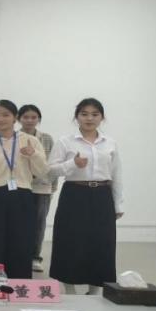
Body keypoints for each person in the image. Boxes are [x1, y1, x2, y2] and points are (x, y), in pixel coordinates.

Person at [48, 98, 123, 295]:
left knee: (101, 241)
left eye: (95, 114)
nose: (89, 118)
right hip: (74, 194)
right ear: (77, 117)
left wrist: (118, 204)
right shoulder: (65, 142)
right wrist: (72, 164)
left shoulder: (110, 143)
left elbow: (116, 175)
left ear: (102, 118)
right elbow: (50, 171)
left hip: (102, 195)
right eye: (84, 114)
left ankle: (94, 290)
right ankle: (69, 289)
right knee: (70, 240)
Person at [0, 100, 48, 284]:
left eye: (6, 115)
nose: (0, 119)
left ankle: (19, 288)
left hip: (22, 197)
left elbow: (42, 172)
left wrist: (33, 154)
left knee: (21, 244)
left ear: (15, 117)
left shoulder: (30, 140)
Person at [18, 104, 57, 272]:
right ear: (19, 119)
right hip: (20, 186)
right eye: (26, 117)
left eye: (33, 117)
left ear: (39, 119)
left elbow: (52, 164)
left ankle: (35, 257)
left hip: (42, 188)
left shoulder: (46, 138)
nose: (29, 120)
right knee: (19, 223)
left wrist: (52, 187)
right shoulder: (15, 137)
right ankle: (20, 255)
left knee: (39, 224)